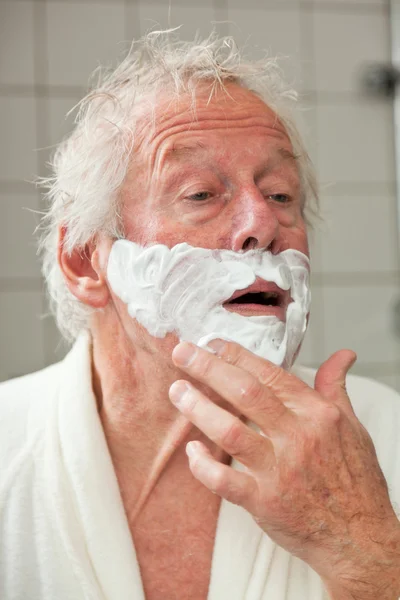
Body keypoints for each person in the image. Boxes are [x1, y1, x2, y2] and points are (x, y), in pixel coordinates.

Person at [0, 31, 399, 600]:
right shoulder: (7, 446)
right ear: (86, 262)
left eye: (282, 195)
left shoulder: (382, 436)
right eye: (200, 194)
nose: (262, 224)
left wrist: (363, 548)